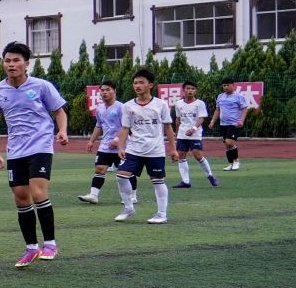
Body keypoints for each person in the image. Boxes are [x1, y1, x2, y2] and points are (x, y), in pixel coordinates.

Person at [0, 41, 69, 268]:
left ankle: (50, 243)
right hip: (16, 150)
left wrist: (62, 130)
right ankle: (31, 248)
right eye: (7, 60)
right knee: (20, 196)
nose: (11, 65)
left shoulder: (42, 86)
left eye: (16, 60)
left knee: (38, 191)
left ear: (26, 63)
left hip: (40, 145)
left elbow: (59, 111)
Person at [113, 69, 177, 225]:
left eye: (141, 82)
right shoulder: (128, 106)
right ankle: (129, 207)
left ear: (150, 85)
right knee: (121, 175)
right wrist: (121, 147)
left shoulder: (161, 104)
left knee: (157, 180)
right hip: (134, 148)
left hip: (155, 150)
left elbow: (168, 128)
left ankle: (162, 214)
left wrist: (173, 149)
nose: (137, 85)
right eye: (135, 83)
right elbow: (125, 128)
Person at [77, 82, 132, 206]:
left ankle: (131, 196)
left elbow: (126, 126)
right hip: (105, 146)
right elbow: (98, 125)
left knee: (125, 172)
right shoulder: (100, 109)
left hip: (122, 146)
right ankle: (94, 195)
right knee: (99, 169)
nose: (104, 92)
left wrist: (117, 140)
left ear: (114, 91)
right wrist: (91, 141)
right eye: (102, 90)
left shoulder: (121, 107)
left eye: (108, 90)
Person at [171, 80, 218, 189]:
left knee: (197, 155)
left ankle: (210, 176)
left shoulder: (199, 103)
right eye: (188, 88)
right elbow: (178, 119)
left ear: (195, 91)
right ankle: (185, 181)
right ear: (184, 90)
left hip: (195, 134)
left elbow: (201, 118)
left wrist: (194, 128)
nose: (190, 91)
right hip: (182, 134)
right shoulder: (178, 104)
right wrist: (177, 133)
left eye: (192, 89)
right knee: (181, 156)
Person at [207, 83, 259, 171]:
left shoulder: (239, 96)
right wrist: (212, 121)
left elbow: (244, 109)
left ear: (232, 85)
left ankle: (236, 161)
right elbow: (217, 109)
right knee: (226, 145)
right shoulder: (220, 96)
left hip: (235, 124)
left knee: (229, 142)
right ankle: (230, 164)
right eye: (224, 85)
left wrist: (241, 120)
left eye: (227, 85)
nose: (226, 87)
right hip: (223, 124)